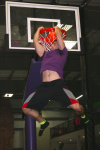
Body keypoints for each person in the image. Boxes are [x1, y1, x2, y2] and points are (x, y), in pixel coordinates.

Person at [22, 26, 89, 136]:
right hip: (44, 86)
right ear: (50, 44)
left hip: (58, 85)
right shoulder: (44, 54)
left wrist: (57, 29)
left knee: (77, 107)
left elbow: (58, 36)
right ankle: (43, 122)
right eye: (54, 42)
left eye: (57, 42)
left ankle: (83, 115)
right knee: (25, 109)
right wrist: (38, 30)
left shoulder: (63, 53)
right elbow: (35, 42)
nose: (56, 43)